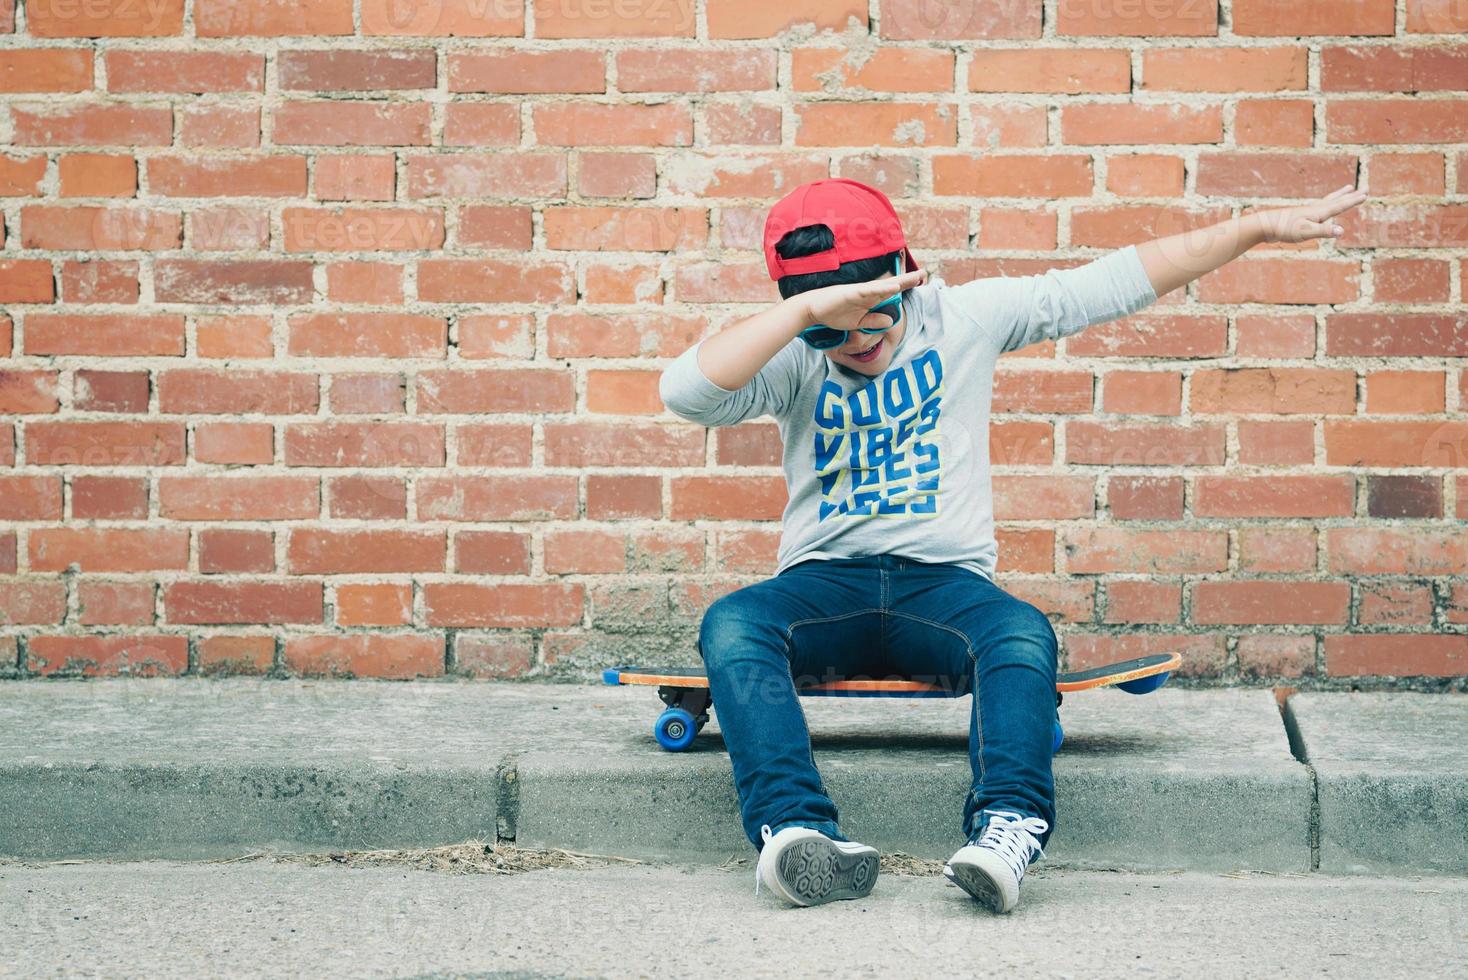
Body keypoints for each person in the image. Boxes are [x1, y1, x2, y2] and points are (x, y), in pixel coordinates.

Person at [658, 177, 1367, 913]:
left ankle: (1005, 829)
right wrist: (805, 316)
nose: (860, 344)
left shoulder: (966, 318)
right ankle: (797, 833)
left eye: (877, 317)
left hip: (944, 591)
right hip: (821, 589)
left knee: (1021, 632)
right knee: (734, 624)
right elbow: (685, 393)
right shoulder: (793, 353)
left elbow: (1113, 282)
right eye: (833, 331)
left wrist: (1251, 228)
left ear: (908, 272)